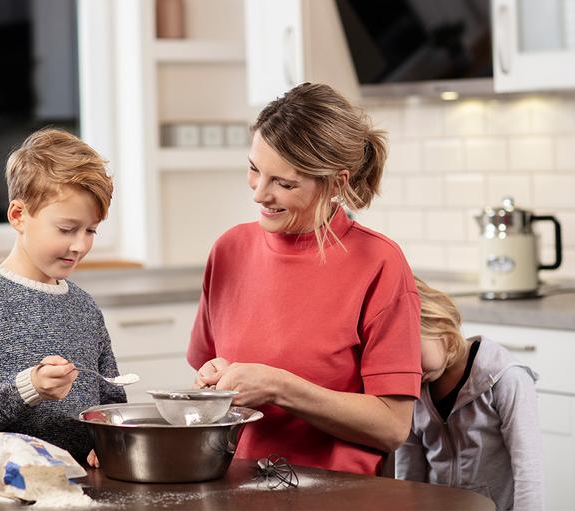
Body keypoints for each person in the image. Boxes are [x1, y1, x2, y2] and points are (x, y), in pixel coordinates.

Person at [188, 82, 422, 476]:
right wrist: (216, 376)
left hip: (338, 495)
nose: (260, 194)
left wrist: (280, 387)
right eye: (254, 169)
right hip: (236, 486)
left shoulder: (379, 262)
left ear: (336, 183)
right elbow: (206, 368)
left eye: (284, 183)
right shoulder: (229, 250)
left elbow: (392, 426)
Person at [0, 128, 126, 467]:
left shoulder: (84, 308)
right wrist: (27, 388)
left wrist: (110, 443)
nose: (80, 245)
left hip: (78, 495)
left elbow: (111, 401)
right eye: (66, 229)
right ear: (19, 216)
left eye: (90, 230)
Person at [395, 277, 543, 511]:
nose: (408, 365)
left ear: (438, 324)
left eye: (411, 348)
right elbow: (409, 472)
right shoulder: (413, 388)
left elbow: (528, 471)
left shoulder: (506, 379)